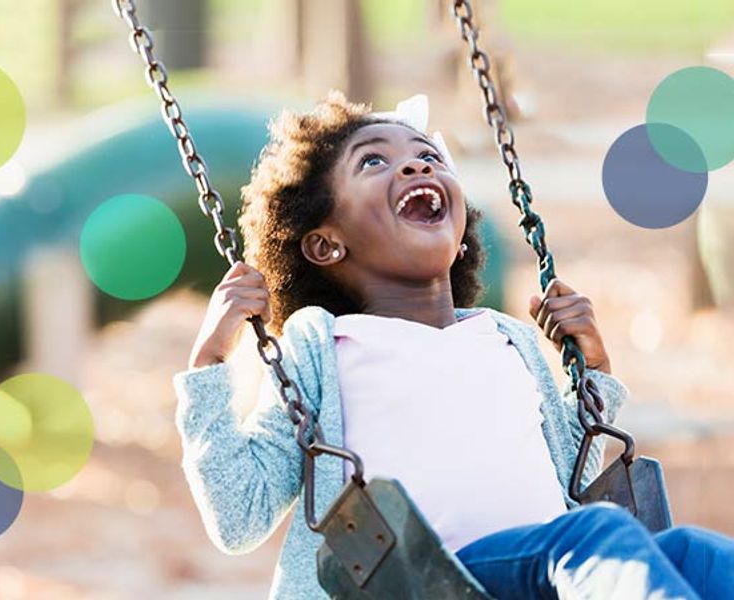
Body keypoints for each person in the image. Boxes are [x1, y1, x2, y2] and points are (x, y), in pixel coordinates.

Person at [173, 91, 734, 599]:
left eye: (429, 157)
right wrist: (209, 362)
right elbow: (239, 516)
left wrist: (593, 374)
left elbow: (566, 477)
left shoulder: (504, 337)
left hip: (541, 573)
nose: (416, 164)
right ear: (324, 245)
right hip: (418, 583)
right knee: (596, 534)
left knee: (694, 554)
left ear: (462, 237)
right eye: (373, 161)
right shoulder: (324, 345)